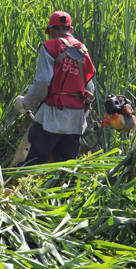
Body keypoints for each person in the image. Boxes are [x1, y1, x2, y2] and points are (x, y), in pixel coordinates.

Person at [13, 11, 96, 166]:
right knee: (65, 167)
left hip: (52, 115)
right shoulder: (83, 50)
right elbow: (90, 87)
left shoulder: (50, 46)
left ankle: (25, 189)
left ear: (50, 30)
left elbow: (43, 81)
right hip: (75, 119)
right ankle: (63, 189)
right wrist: (83, 113)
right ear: (70, 29)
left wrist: (27, 104)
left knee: (33, 161)